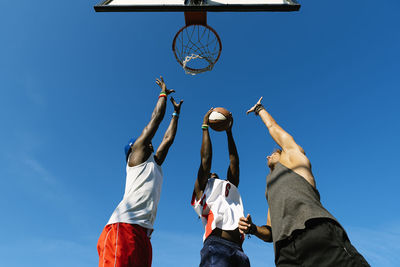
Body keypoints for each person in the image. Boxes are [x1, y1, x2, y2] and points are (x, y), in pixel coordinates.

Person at [238, 97, 370, 267]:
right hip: (285, 253)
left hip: (315, 232)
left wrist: (259, 109)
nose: (267, 155)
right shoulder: (269, 188)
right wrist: (253, 229)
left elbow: (273, 127)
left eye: (272, 152)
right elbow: (270, 232)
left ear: (283, 153)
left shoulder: (294, 159)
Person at [97, 76, 183, 267]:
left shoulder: (154, 163)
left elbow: (168, 139)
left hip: (143, 234)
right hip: (123, 227)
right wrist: (162, 94)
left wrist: (175, 114)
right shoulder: (136, 157)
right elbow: (155, 120)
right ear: (133, 150)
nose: (148, 142)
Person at [191, 109, 250, 267]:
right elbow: (206, 160)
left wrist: (229, 132)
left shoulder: (229, 186)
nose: (212, 172)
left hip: (239, 250)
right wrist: (205, 127)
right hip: (216, 246)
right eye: (209, 173)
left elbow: (234, 162)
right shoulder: (202, 189)